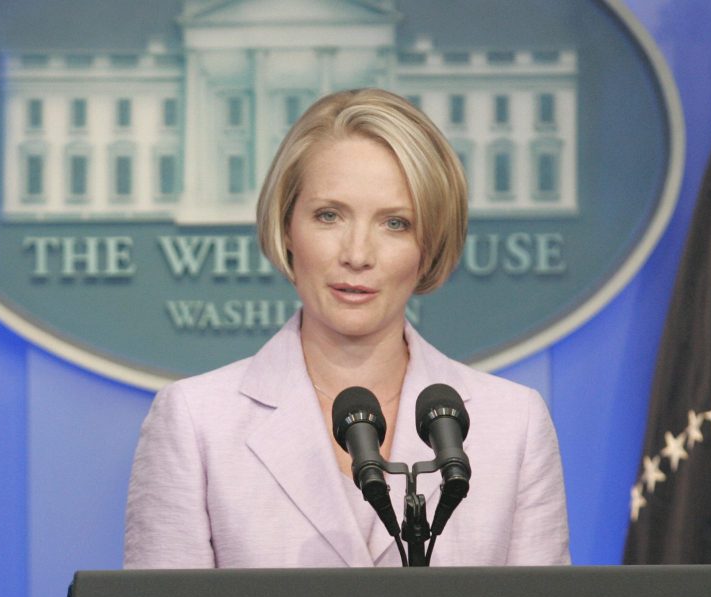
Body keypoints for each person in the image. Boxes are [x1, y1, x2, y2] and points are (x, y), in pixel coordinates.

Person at [124, 88, 570, 569]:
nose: (357, 254)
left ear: (431, 242)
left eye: (395, 223)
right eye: (329, 215)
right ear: (287, 226)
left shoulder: (513, 425)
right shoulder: (196, 423)